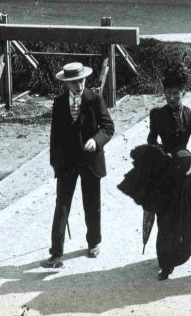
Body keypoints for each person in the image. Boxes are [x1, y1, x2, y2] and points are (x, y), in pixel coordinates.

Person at [41, 62, 115, 269]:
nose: (78, 86)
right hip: (67, 163)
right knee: (62, 206)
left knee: (91, 203)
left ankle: (93, 242)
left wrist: (97, 140)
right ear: (66, 84)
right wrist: (56, 164)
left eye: (81, 81)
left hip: (90, 162)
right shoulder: (59, 103)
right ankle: (56, 254)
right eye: (73, 83)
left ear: (85, 80)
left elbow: (108, 127)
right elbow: (54, 136)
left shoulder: (94, 99)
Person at [154, 149, 191, 280]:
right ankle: (167, 264)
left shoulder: (190, 182)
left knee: (181, 225)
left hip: (182, 166)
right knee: (171, 227)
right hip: (168, 174)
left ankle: (169, 263)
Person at [147, 64, 191, 175]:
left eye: (176, 93)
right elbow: (151, 139)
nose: (171, 98)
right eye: (168, 93)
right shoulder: (157, 114)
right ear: (164, 92)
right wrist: (160, 153)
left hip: (184, 163)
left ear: (183, 92)